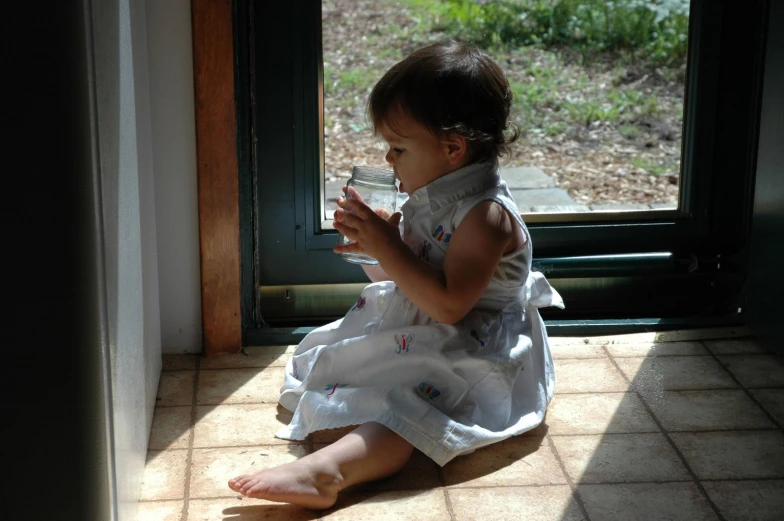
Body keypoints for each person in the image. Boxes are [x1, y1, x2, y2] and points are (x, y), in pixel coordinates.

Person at [228, 39, 563, 509]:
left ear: (452, 148)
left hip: (477, 343)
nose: (389, 159)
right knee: (349, 363)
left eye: (398, 147)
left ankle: (328, 473)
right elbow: (405, 278)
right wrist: (373, 249)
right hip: (431, 327)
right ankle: (342, 450)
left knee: (409, 405)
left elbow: (449, 304)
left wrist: (388, 246)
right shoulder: (435, 194)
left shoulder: (485, 216)